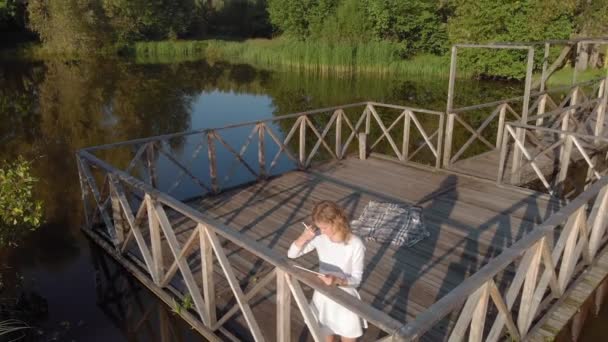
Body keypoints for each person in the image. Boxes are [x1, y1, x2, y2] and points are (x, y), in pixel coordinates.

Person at [287, 200, 367, 342]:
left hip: (345, 299)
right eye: (319, 228)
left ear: (336, 221)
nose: (321, 231)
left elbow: (356, 280)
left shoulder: (356, 244)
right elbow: (292, 254)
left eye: (324, 227)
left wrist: (337, 281)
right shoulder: (319, 238)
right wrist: (304, 237)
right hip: (323, 297)